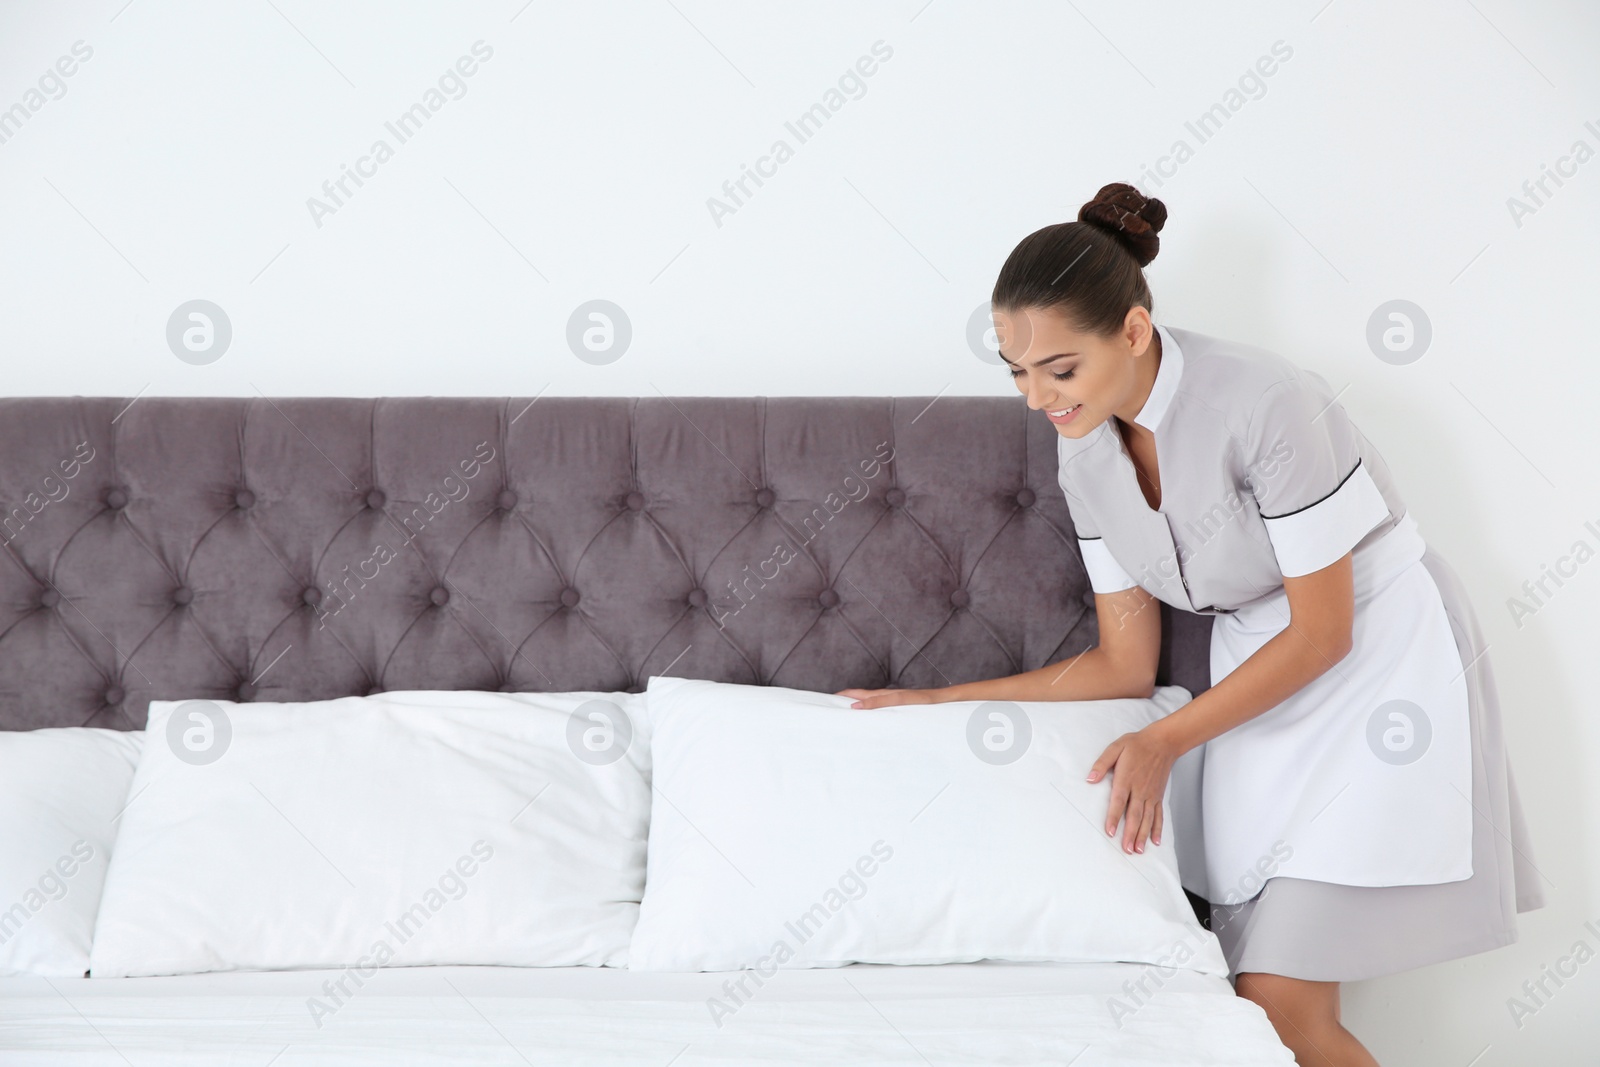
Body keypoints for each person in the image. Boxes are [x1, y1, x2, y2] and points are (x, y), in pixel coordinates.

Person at [837, 182, 1545, 1067]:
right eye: (1017, 372)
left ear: (1133, 331)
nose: (1036, 399)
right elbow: (1122, 664)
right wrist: (938, 698)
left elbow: (1325, 633)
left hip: (1375, 661)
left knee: (1280, 1004)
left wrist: (1166, 741)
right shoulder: (1083, 450)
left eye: (1060, 369)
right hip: (1260, 678)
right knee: (1259, 1003)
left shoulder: (1269, 401)